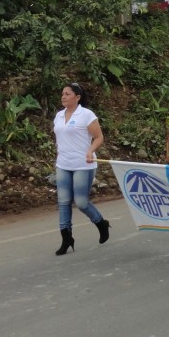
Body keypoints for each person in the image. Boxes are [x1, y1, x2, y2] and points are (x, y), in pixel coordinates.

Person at [52, 83, 111, 255]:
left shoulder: (86, 115)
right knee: (63, 202)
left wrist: (90, 151)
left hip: (83, 165)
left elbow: (99, 136)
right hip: (63, 164)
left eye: (67, 94)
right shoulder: (59, 115)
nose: (63, 96)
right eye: (62, 93)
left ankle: (101, 223)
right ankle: (66, 237)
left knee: (81, 202)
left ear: (77, 97)